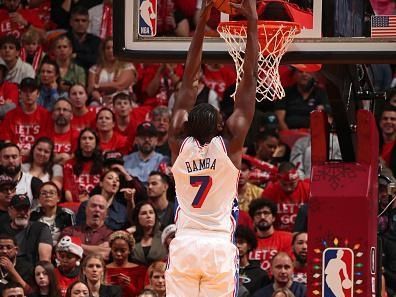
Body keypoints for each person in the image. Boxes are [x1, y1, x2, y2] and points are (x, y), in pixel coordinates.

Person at [165, 0, 258, 296]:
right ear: (221, 126)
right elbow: (249, 81)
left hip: (185, 242)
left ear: (187, 123)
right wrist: (253, 21)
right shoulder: (229, 145)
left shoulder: (179, 143)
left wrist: (202, 24)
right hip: (217, 244)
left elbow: (189, 82)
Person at [0, 78, 50, 156]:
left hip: (38, 157)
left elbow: (47, 142)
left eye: (31, 91)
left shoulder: (46, 115)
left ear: (38, 94)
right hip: (15, 157)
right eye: (25, 91)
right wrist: (16, 153)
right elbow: (7, 141)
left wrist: (31, 152)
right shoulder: (10, 115)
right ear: (20, 94)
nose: (28, 94)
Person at [0, 194, 52, 265]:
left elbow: (45, 262)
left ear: (30, 211)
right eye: (18, 209)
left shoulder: (41, 229)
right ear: (9, 211)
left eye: (26, 209)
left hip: (32, 272)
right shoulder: (2, 230)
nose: (22, 213)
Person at [87, 37, 136, 107]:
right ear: (103, 51)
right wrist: (101, 99)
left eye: (113, 48)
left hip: (122, 100)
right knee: (93, 105)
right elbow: (90, 89)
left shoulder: (127, 66)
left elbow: (119, 85)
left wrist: (98, 86)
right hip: (100, 100)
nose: (110, 50)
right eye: (108, 48)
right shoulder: (94, 69)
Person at [261, 162, 310, 232]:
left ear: (297, 179)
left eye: (292, 184)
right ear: (278, 180)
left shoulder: (308, 190)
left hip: (303, 235)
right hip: (278, 234)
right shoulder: (269, 192)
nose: (288, 188)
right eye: (284, 184)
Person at [248, 199, 293, 272]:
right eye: (258, 214)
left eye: (266, 213)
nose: (262, 217)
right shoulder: (247, 241)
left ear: (273, 218)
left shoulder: (288, 238)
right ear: (253, 219)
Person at [63, 128, 103, 202]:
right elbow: (68, 194)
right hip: (75, 203)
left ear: (96, 143)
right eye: (84, 138)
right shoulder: (69, 164)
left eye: (91, 138)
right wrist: (79, 200)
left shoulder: (103, 164)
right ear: (79, 143)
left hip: (98, 203)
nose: (87, 141)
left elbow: (105, 190)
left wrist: (90, 199)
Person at [105, 231, 147, 297]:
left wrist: (129, 285)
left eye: (123, 250)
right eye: (115, 250)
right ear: (111, 249)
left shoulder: (140, 270)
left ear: (129, 250)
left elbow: (142, 294)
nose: (118, 254)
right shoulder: (103, 269)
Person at [236, 225, 270, 296]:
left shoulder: (261, 275)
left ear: (249, 246)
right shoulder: (225, 270)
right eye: (234, 242)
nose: (237, 245)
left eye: (241, 242)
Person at [66, 6, 101, 73]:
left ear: (88, 23)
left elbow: (97, 60)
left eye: (84, 21)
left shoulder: (96, 41)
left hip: (91, 76)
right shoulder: (63, 40)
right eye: (77, 20)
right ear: (70, 22)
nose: (80, 24)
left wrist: (76, 55)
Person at [130, 201, 167, 266]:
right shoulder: (131, 239)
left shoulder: (164, 237)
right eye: (144, 213)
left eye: (151, 212)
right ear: (137, 218)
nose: (148, 216)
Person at [44, 99, 79, 165]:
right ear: (52, 114)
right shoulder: (44, 135)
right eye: (58, 109)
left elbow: (77, 159)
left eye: (65, 110)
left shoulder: (77, 136)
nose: (61, 113)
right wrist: (61, 157)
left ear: (71, 115)